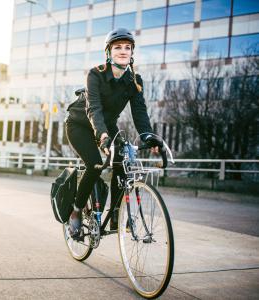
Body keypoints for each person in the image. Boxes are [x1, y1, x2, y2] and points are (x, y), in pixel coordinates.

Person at [65, 28, 163, 238]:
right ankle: (76, 210)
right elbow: (94, 109)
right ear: (109, 51)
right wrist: (102, 137)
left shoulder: (134, 81)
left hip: (108, 126)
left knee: (121, 160)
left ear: (132, 52)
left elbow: (139, 111)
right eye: (118, 47)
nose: (123, 51)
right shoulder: (95, 74)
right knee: (95, 164)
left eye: (127, 47)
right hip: (80, 124)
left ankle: (116, 215)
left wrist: (148, 135)